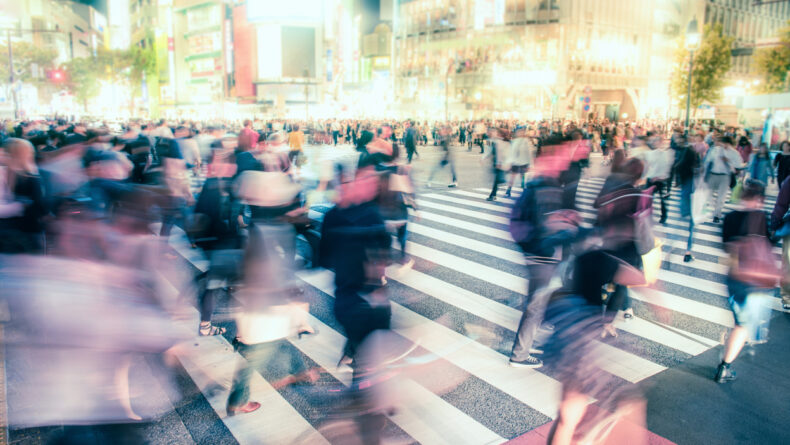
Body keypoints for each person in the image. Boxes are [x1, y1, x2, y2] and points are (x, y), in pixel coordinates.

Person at [508, 137, 579, 368]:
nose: (564, 158)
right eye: (561, 153)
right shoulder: (545, 184)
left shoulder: (541, 181)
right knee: (536, 305)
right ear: (551, 155)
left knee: (538, 303)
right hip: (542, 253)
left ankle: (527, 346)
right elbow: (544, 225)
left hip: (537, 251)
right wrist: (567, 228)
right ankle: (519, 355)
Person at [716, 179, 778, 383]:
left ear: (742, 196)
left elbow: (726, 247)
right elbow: (769, 244)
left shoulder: (730, 217)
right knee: (743, 326)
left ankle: (729, 350)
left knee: (740, 322)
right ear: (760, 199)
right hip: (754, 280)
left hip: (734, 277)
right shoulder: (762, 217)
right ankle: (724, 367)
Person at [704, 136, 743, 223]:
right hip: (713, 174)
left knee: (721, 197)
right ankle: (714, 208)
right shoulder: (715, 150)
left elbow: (738, 165)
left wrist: (728, 161)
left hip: (725, 176)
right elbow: (707, 161)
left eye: (726, 144)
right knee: (708, 194)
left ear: (729, 143)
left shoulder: (734, 153)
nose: (724, 145)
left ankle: (717, 214)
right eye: (722, 143)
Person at [504, 126, 533, 197]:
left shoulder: (526, 141)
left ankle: (522, 189)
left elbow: (529, 153)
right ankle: (509, 189)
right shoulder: (515, 141)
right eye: (519, 131)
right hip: (516, 162)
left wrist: (530, 164)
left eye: (522, 131)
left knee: (521, 175)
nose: (520, 133)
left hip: (523, 161)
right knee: (513, 176)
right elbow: (511, 152)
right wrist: (509, 162)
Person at [484, 127, 510, 202]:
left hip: (500, 164)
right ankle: (494, 194)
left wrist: (498, 162)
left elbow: (495, 152)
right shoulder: (505, 142)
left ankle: (493, 195)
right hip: (502, 163)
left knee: (497, 180)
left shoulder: (498, 142)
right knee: (497, 179)